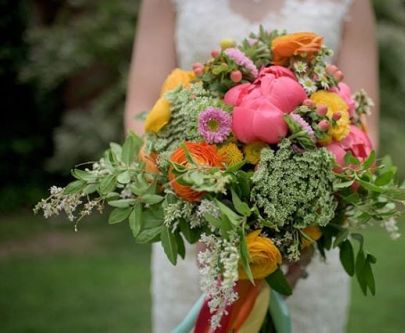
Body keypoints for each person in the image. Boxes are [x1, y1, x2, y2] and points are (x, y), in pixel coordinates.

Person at [125, 0, 379, 332]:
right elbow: (140, 113)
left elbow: (365, 129)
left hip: (308, 247)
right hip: (194, 239)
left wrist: (301, 235)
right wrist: (200, 212)